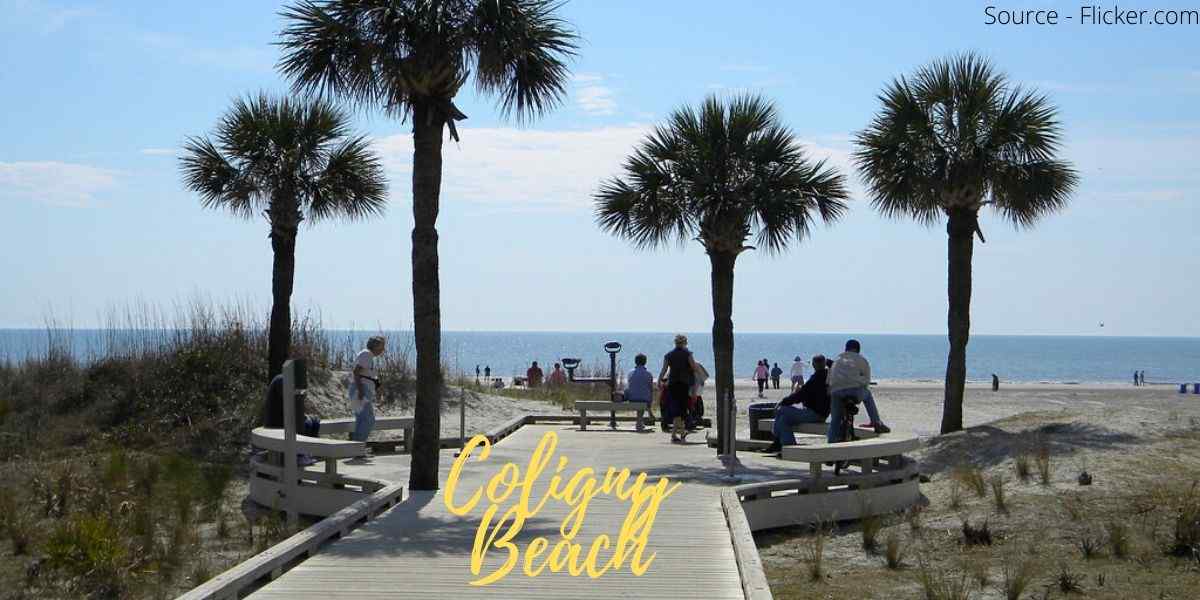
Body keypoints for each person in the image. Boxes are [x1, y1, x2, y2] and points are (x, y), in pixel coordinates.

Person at [764, 355, 831, 453]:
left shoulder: (816, 379)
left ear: (813, 365)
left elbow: (799, 396)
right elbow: (804, 395)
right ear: (824, 364)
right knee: (783, 419)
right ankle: (787, 446)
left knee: (781, 410)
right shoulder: (827, 376)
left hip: (815, 414)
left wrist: (783, 402)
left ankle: (779, 442)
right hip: (820, 413)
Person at [827, 339, 890, 441]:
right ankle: (876, 422)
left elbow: (830, 380)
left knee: (835, 419)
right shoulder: (861, 360)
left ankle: (830, 441)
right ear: (858, 349)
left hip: (837, 392)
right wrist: (859, 382)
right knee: (868, 395)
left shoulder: (837, 360)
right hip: (854, 391)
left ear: (845, 349)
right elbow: (867, 380)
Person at [263, 371, 321, 466]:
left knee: (315, 420)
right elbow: (291, 403)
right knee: (306, 423)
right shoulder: (282, 381)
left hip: (282, 418)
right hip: (276, 422)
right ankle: (299, 455)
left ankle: (309, 453)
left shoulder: (285, 380)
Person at [659, 334, 700, 443]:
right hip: (683, 384)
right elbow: (694, 368)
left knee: (677, 409)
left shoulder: (669, 355)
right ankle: (679, 434)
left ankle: (678, 434)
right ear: (685, 343)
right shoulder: (687, 354)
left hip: (672, 384)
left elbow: (664, 370)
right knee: (681, 409)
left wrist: (659, 380)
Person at [349, 336, 386, 452]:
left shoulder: (369, 356)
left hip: (363, 390)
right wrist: (360, 391)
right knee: (368, 420)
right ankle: (357, 449)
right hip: (361, 390)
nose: (382, 350)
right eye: (381, 347)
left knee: (362, 420)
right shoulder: (367, 355)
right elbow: (356, 372)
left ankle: (356, 448)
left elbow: (369, 376)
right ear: (375, 345)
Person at [624, 353, 657, 425]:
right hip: (644, 400)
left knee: (639, 395)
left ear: (635, 361)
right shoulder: (648, 374)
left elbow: (629, 386)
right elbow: (651, 389)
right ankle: (640, 421)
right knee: (644, 396)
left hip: (632, 399)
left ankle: (640, 421)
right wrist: (651, 400)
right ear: (645, 362)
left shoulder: (630, 373)